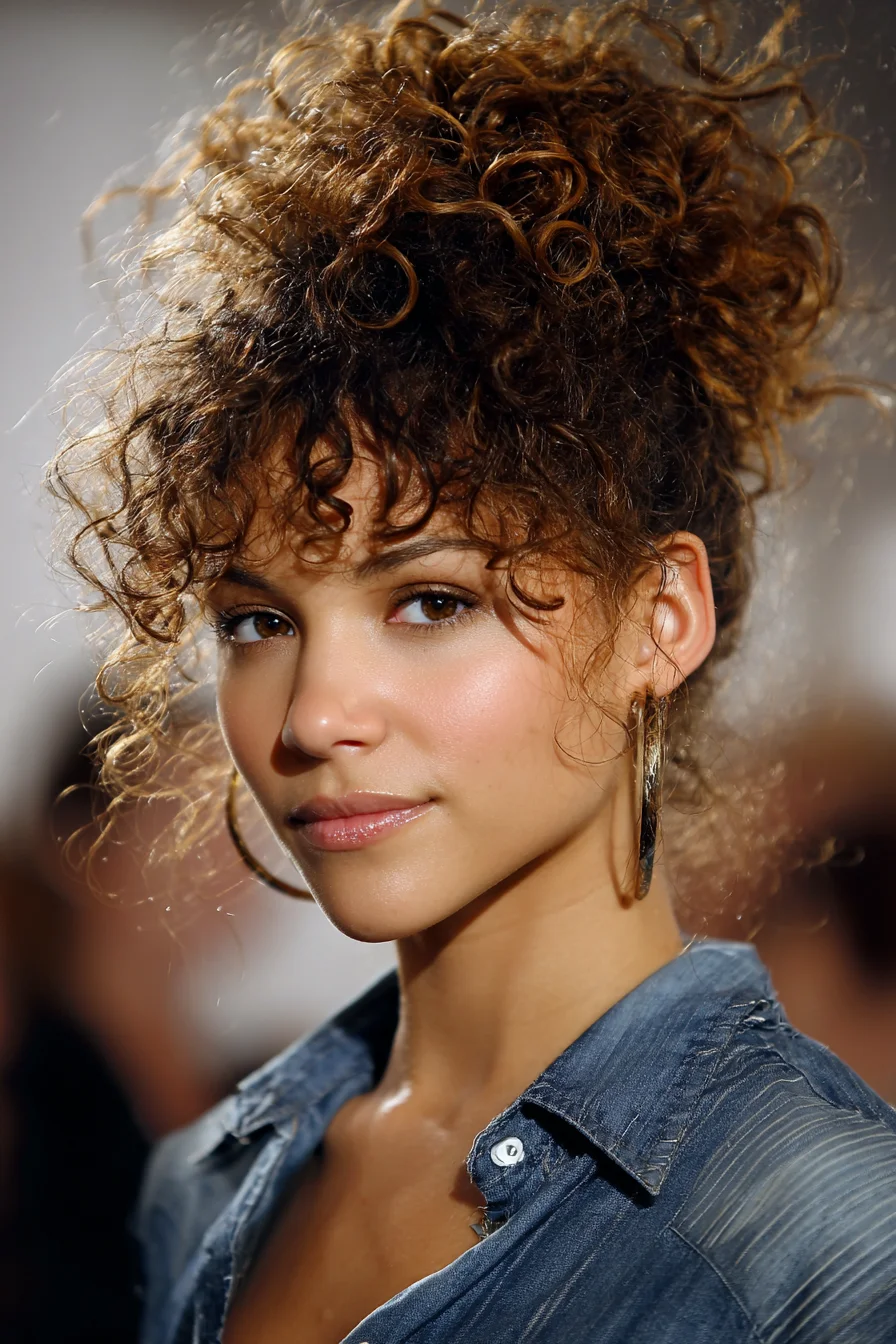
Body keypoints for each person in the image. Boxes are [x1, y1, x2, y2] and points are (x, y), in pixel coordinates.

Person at [50, 2, 896, 1341]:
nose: (316, 716)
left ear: (659, 617)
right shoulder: (198, 1189)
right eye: (258, 622)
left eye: (432, 600)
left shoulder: (831, 1253)